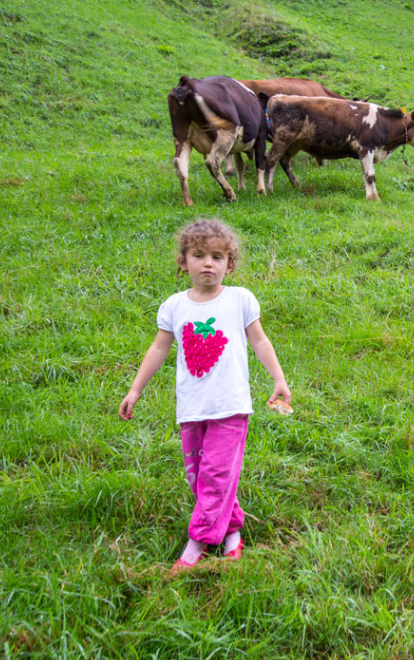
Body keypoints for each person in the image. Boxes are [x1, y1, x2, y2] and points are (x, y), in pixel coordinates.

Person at [119, 218, 290, 574]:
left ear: (231, 263)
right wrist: (136, 389)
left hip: (230, 406)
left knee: (215, 472)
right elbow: (158, 349)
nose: (208, 263)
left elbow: (259, 340)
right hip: (192, 408)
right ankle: (232, 534)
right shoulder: (173, 306)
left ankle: (197, 543)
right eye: (199, 255)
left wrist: (278, 379)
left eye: (217, 256)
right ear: (183, 261)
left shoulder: (240, 299)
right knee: (201, 476)